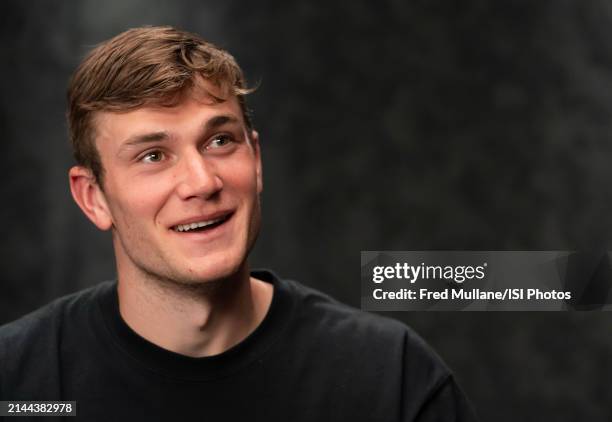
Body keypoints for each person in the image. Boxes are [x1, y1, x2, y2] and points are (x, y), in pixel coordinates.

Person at [0, 26, 477, 421]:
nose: (201, 181)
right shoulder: (18, 381)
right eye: (152, 156)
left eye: (220, 141)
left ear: (257, 160)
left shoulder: (390, 377)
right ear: (93, 197)